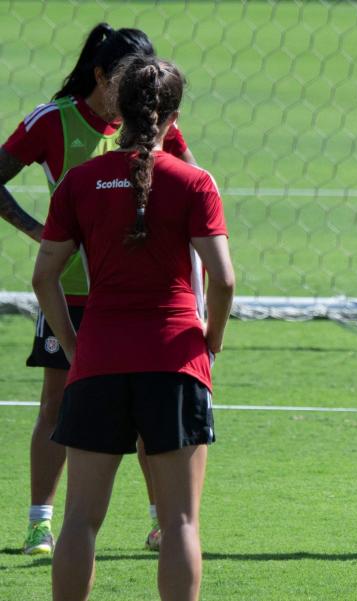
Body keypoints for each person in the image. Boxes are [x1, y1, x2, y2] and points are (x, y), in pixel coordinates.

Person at [32, 54, 232, 601]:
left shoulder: (79, 181)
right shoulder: (195, 182)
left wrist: (74, 346)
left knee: (79, 522)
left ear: (116, 108)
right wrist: (210, 340)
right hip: (176, 361)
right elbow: (225, 281)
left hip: (98, 360)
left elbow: (44, 276)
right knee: (181, 525)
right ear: (174, 113)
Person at [0, 22, 197, 555]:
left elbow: (194, 195)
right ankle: (40, 521)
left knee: (145, 415)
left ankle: (161, 522)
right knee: (58, 404)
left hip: (141, 296)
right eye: (129, 79)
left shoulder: (155, 125)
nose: (140, 91)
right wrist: (41, 233)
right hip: (69, 294)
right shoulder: (53, 121)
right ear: (101, 75)